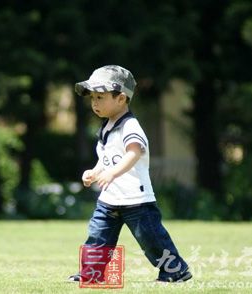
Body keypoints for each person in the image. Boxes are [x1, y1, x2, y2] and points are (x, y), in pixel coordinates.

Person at [69, 65, 192, 283]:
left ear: (121, 98)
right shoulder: (107, 126)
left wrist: (112, 174)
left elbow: (133, 153)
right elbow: (107, 158)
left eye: (100, 97)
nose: (94, 103)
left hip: (136, 199)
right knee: (97, 236)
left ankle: (176, 271)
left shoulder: (130, 126)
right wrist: (95, 171)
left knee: (151, 238)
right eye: (92, 98)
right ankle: (92, 274)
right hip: (110, 199)